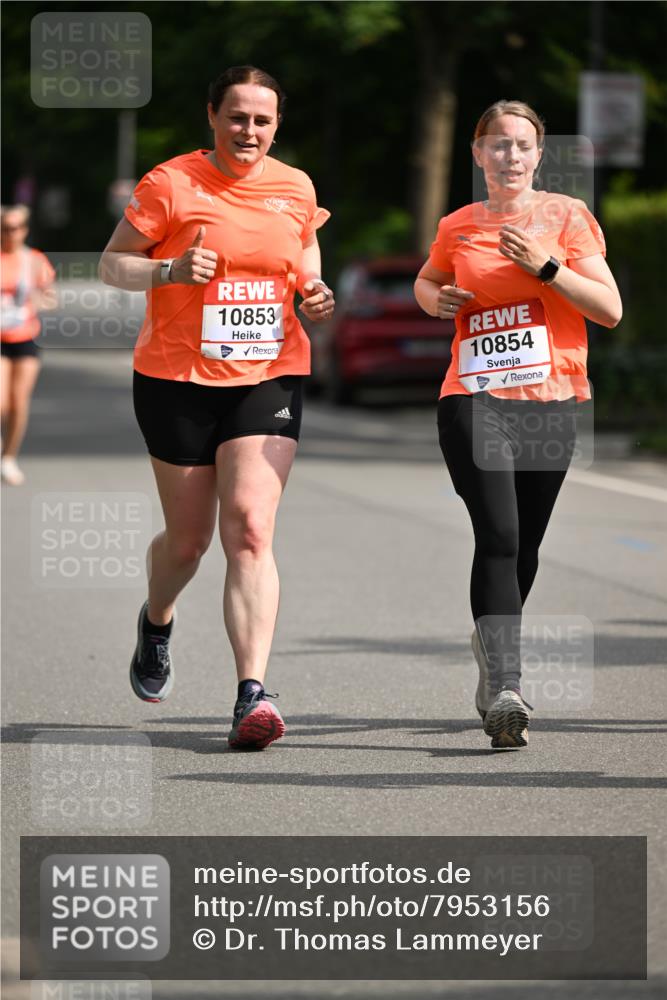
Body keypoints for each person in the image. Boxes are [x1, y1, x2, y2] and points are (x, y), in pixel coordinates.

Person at [99, 65, 333, 750]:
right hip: (176, 377)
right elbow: (113, 263)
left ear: (276, 125)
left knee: (251, 528)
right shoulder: (170, 184)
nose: (249, 131)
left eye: (262, 120)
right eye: (237, 117)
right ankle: (158, 618)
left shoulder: (294, 186)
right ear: (212, 116)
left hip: (270, 373)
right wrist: (167, 270)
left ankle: (250, 694)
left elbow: (305, 251)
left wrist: (312, 289)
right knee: (189, 541)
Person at [415, 100, 621, 749]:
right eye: (496, 144)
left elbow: (609, 309)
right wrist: (435, 298)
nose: (509, 155)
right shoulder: (457, 225)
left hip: (551, 398)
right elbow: (426, 281)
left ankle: (488, 650)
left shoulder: (565, 218)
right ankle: (506, 685)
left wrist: (547, 267)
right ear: (477, 155)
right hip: (472, 395)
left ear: (537, 155)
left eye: (521, 145)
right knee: (498, 534)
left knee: (524, 545)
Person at [1, 204, 56, 486]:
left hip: (25, 336)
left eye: (16, 228)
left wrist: (38, 301)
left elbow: (50, 297)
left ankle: (8, 457)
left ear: (25, 230)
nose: (11, 233)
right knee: (1, 401)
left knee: (18, 402)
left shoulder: (33, 260)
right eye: (5, 228)